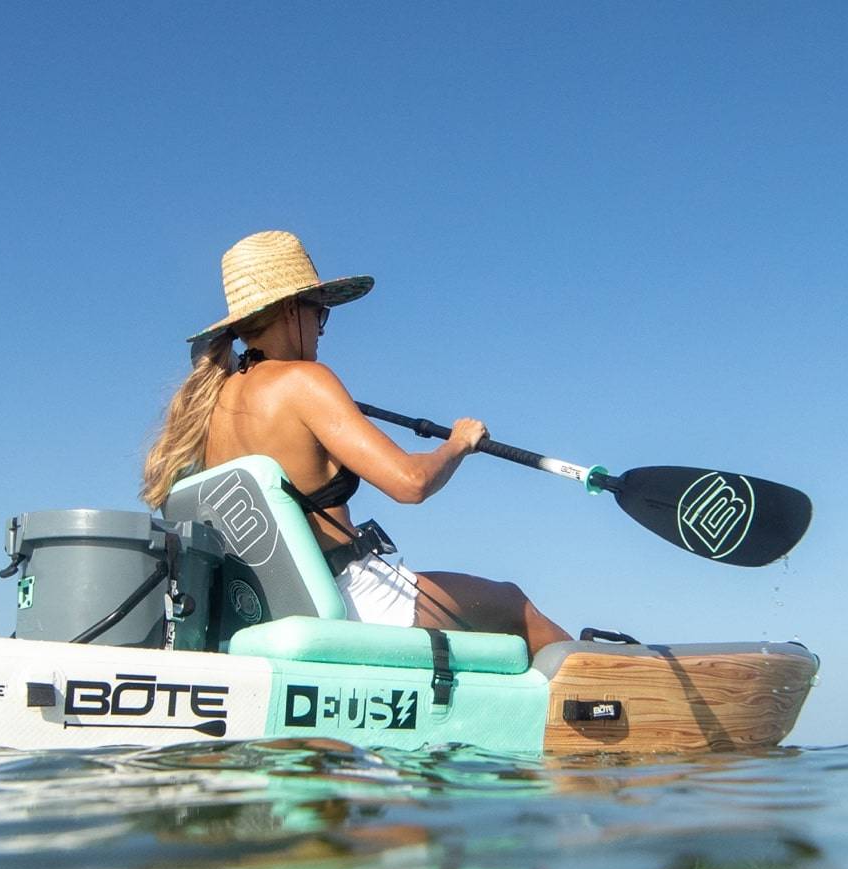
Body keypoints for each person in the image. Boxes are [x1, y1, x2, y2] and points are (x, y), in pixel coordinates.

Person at [141, 231, 569, 656]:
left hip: (273, 607)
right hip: (355, 597)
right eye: (320, 314)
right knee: (515, 607)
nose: (321, 331)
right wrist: (459, 444)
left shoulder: (210, 404)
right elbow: (410, 483)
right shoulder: (305, 381)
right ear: (292, 310)